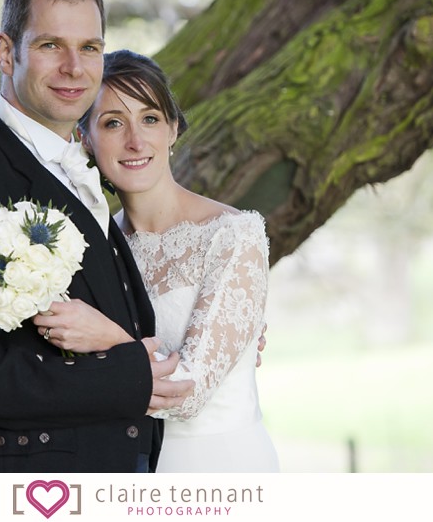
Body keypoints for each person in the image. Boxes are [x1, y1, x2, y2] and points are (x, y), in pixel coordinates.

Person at [0, 0, 193, 473]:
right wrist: (121, 377)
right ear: (5, 52)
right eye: (49, 46)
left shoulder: (85, 163)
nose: (73, 67)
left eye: (89, 47)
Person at [34, 49, 280, 472]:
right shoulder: (86, 245)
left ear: (173, 128)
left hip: (220, 466)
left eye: (150, 119)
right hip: (119, 467)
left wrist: (105, 337)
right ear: (84, 139)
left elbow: (189, 390)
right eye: (113, 123)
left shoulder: (232, 234)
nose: (135, 140)